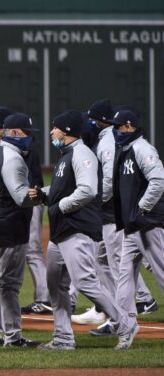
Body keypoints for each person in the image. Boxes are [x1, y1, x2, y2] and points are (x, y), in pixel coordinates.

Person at [30, 110, 137, 350]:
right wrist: (45, 194)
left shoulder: (82, 154)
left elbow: (88, 190)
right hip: (62, 230)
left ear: (66, 131)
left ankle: (126, 324)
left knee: (86, 281)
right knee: (56, 284)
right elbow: (64, 188)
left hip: (77, 229)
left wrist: (60, 206)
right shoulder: (66, 154)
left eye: (55, 127)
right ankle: (63, 338)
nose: (51, 132)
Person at [74, 101, 158, 333]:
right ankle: (122, 313)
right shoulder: (109, 139)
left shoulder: (110, 142)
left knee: (127, 264)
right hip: (117, 215)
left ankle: (126, 313)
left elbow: (110, 179)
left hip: (115, 215)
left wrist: (98, 200)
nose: (87, 123)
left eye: (91, 119)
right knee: (110, 262)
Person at [0, 112, 42, 347]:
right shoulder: (14, 158)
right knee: (10, 284)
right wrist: (47, 194)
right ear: (15, 133)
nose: (30, 138)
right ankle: (13, 337)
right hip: (10, 227)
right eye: (27, 133)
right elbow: (21, 197)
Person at [111, 110, 164, 329]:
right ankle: (126, 324)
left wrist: (142, 209)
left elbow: (159, 180)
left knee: (161, 270)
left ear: (129, 127)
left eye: (118, 127)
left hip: (148, 223)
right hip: (133, 226)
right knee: (124, 274)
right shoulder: (125, 149)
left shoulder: (143, 149)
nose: (115, 130)